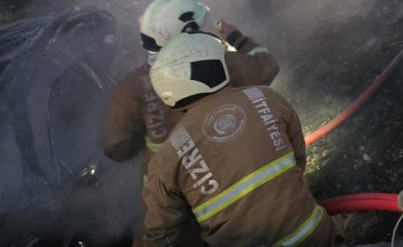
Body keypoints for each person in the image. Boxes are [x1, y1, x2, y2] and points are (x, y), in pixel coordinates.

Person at [142, 32, 333, 246]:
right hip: (317, 236)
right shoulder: (265, 97)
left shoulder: (166, 157)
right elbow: (298, 160)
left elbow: (163, 237)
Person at [101, 0, 279, 164]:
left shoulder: (131, 86)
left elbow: (116, 148)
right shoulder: (216, 61)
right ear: (186, 33)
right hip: (237, 163)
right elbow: (266, 67)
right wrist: (236, 38)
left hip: (172, 182)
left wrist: (154, 126)